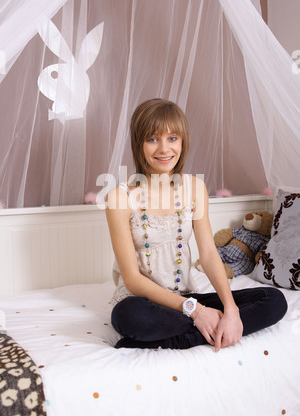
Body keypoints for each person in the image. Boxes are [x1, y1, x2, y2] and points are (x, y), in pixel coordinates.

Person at [105, 98, 287, 351]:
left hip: (184, 298)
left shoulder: (194, 188)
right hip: (143, 300)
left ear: (182, 141)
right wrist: (197, 312)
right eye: (152, 139)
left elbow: (209, 253)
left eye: (172, 138)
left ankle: (173, 339)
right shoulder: (119, 198)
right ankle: (200, 326)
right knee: (128, 316)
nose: (164, 149)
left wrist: (231, 310)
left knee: (274, 300)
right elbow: (133, 280)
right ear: (139, 143)